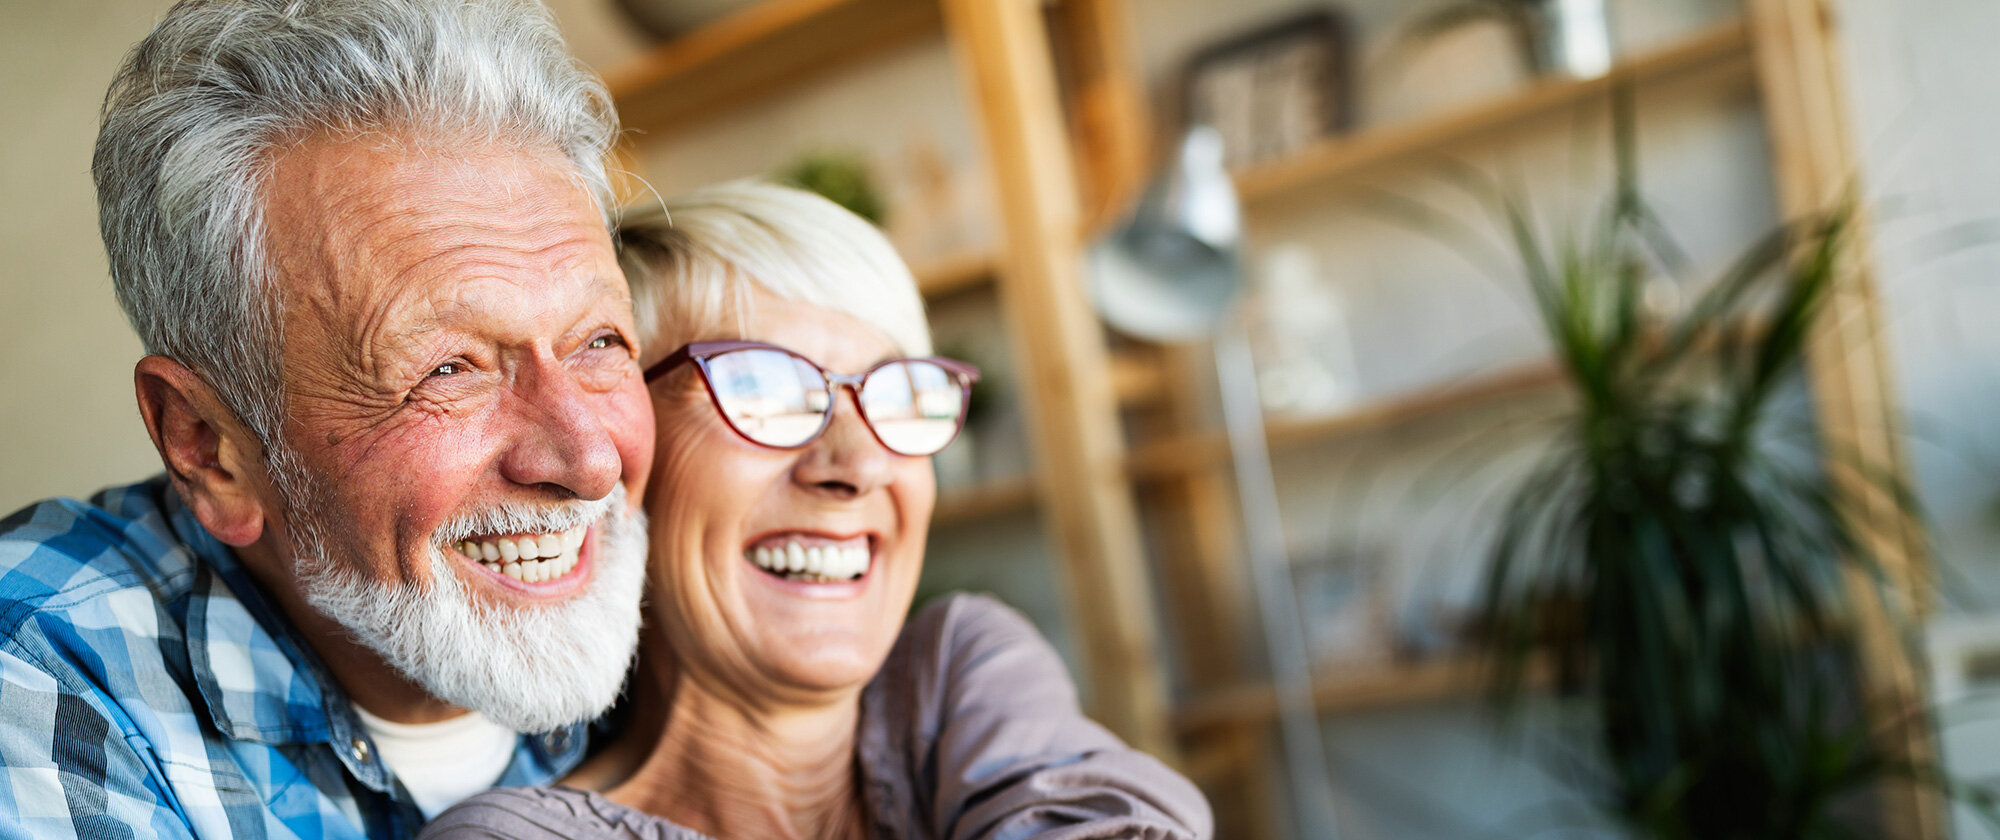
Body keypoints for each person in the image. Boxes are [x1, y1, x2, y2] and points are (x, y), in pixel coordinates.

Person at [0, 0, 655, 836]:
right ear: (209, 448)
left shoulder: (701, 586)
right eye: (446, 370)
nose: (591, 459)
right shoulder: (37, 675)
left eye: (599, 341)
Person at [421, 181, 1212, 839]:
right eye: (760, 389)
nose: (859, 466)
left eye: (898, 395)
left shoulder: (954, 675)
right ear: (622, 452)